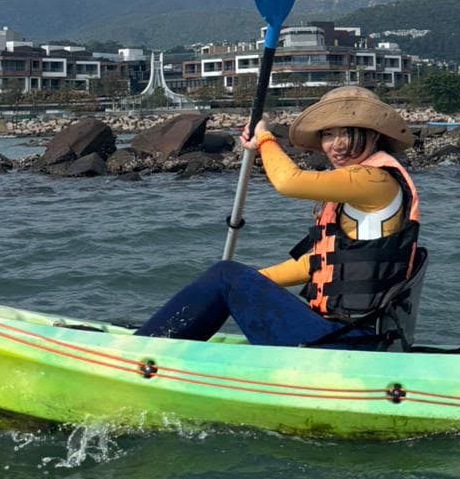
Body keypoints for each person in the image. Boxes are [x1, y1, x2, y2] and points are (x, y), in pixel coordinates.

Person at [135, 86, 420, 348]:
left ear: (373, 134)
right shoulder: (364, 185)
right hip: (353, 334)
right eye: (327, 135)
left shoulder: (374, 180)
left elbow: (288, 181)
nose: (337, 145)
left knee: (224, 273)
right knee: (229, 279)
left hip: (348, 340)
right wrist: (248, 283)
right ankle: (164, 344)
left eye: (347, 132)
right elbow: (317, 264)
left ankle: (143, 352)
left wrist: (264, 139)